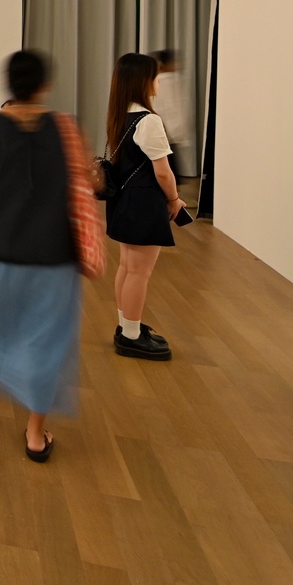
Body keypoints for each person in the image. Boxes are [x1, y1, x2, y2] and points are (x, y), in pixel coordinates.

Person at [0, 50, 106, 462]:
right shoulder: (68, 127)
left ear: (8, 85)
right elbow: (87, 182)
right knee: (46, 342)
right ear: (45, 85)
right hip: (54, 256)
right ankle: (35, 434)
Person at [103, 53, 186, 360]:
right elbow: (163, 172)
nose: (159, 81)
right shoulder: (148, 120)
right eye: (155, 76)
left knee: (127, 266)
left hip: (123, 200)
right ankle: (131, 336)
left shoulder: (120, 115)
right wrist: (174, 199)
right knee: (140, 271)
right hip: (143, 202)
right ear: (143, 81)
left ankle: (127, 325)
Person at [152, 48, 194, 177]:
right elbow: (174, 106)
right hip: (168, 129)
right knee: (168, 166)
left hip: (164, 129)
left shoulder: (167, 79)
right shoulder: (166, 80)